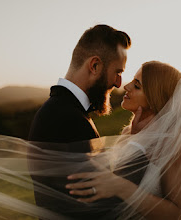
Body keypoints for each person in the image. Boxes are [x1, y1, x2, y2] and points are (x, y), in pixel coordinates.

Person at [0, 61, 181, 219]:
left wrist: (119, 186)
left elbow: (174, 214)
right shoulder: (138, 130)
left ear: (156, 98)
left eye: (137, 85)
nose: (126, 86)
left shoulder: (177, 141)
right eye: (132, 80)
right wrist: (134, 137)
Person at [27, 24, 132, 218]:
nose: (119, 83)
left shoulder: (58, 110)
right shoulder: (68, 119)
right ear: (94, 66)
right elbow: (96, 209)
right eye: (118, 72)